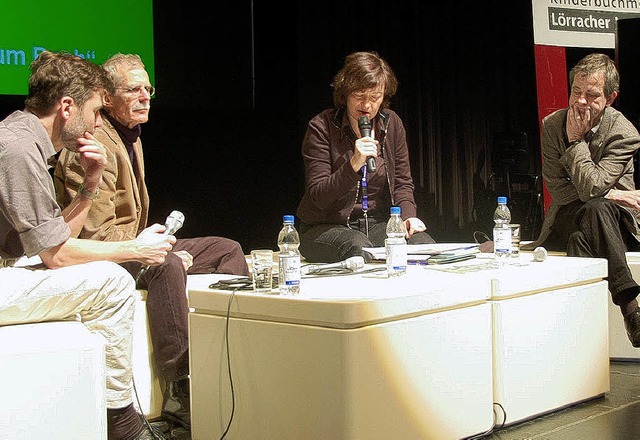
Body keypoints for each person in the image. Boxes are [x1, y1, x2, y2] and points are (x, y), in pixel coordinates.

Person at [54, 53, 250, 435]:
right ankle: (180, 389)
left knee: (227, 248)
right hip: (101, 257)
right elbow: (95, 235)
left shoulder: (130, 136)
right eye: (134, 90)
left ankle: (233, 354)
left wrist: (159, 241)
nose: (145, 97)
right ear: (107, 99)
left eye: (148, 88)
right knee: (167, 265)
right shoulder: (93, 145)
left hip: (132, 242)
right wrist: (160, 249)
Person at [0, 51, 175, 440]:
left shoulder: (23, 139)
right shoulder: (17, 149)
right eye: (96, 111)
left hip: (9, 270)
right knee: (112, 283)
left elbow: (55, 239)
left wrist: (90, 184)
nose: (99, 122)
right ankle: (122, 421)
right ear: (66, 107)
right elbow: (57, 254)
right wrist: (136, 249)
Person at [523, 53, 640, 347]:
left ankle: (580, 340)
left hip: (616, 223)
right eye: (576, 91)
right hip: (569, 212)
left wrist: (577, 143)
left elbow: (592, 189)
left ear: (610, 98)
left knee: (586, 227)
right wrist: (612, 192)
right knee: (593, 206)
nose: (581, 102)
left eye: (591, 95)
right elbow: (559, 190)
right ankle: (631, 308)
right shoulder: (552, 125)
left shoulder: (624, 133)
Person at [296, 51, 435, 263]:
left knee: (423, 246)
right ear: (345, 93)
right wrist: (353, 165)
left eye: (374, 98)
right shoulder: (321, 127)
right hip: (325, 227)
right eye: (359, 96)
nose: (367, 105)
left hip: (376, 223)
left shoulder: (391, 124)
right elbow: (318, 196)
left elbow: (402, 183)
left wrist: (408, 217)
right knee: (358, 247)